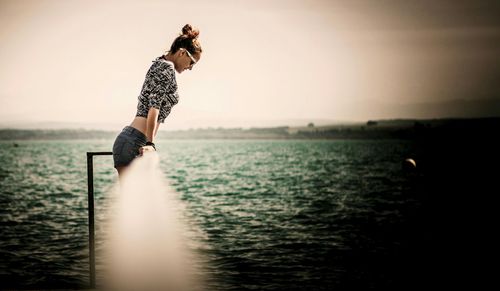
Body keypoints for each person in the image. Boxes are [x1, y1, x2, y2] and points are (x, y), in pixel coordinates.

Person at [112, 24, 202, 176]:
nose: (191, 67)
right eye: (192, 62)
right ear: (182, 53)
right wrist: (150, 144)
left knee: (134, 198)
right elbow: (154, 107)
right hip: (135, 143)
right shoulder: (165, 67)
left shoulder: (160, 64)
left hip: (132, 141)